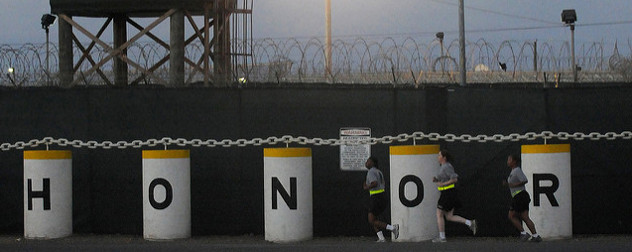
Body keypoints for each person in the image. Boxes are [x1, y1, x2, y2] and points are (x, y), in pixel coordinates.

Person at [432, 149, 477, 243]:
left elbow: (454, 179)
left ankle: (442, 237)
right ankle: (470, 223)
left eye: (439, 155)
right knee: (449, 216)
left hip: (447, 194)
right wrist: (436, 179)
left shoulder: (446, 166)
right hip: (448, 193)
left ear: (444, 158)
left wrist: (442, 184)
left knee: (439, 214)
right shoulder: (443, 167)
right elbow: (445, 178)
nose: (438, 157)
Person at [503, 154, 542, 242]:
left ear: (514, 162)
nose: (508, 161)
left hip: (520, 196)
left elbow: (524, 180)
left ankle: (524, 234)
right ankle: (536, 236)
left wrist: (511, 185)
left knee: (511, 215)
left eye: (509, 159)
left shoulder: (517, 170)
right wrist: (508, 184)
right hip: (521, 196)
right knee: (525, 217)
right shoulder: (513, 171)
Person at [363, 156, 399, 242]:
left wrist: (366, 187)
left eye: (368, 161)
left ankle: (393, 228)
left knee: (371, 220)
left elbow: (374, 183)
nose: (366, 163)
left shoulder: (371, 172)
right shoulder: (378, 171)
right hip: (382, 196)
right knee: (374, 219)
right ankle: (381, 238)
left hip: (376, 197)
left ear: (372, 163)